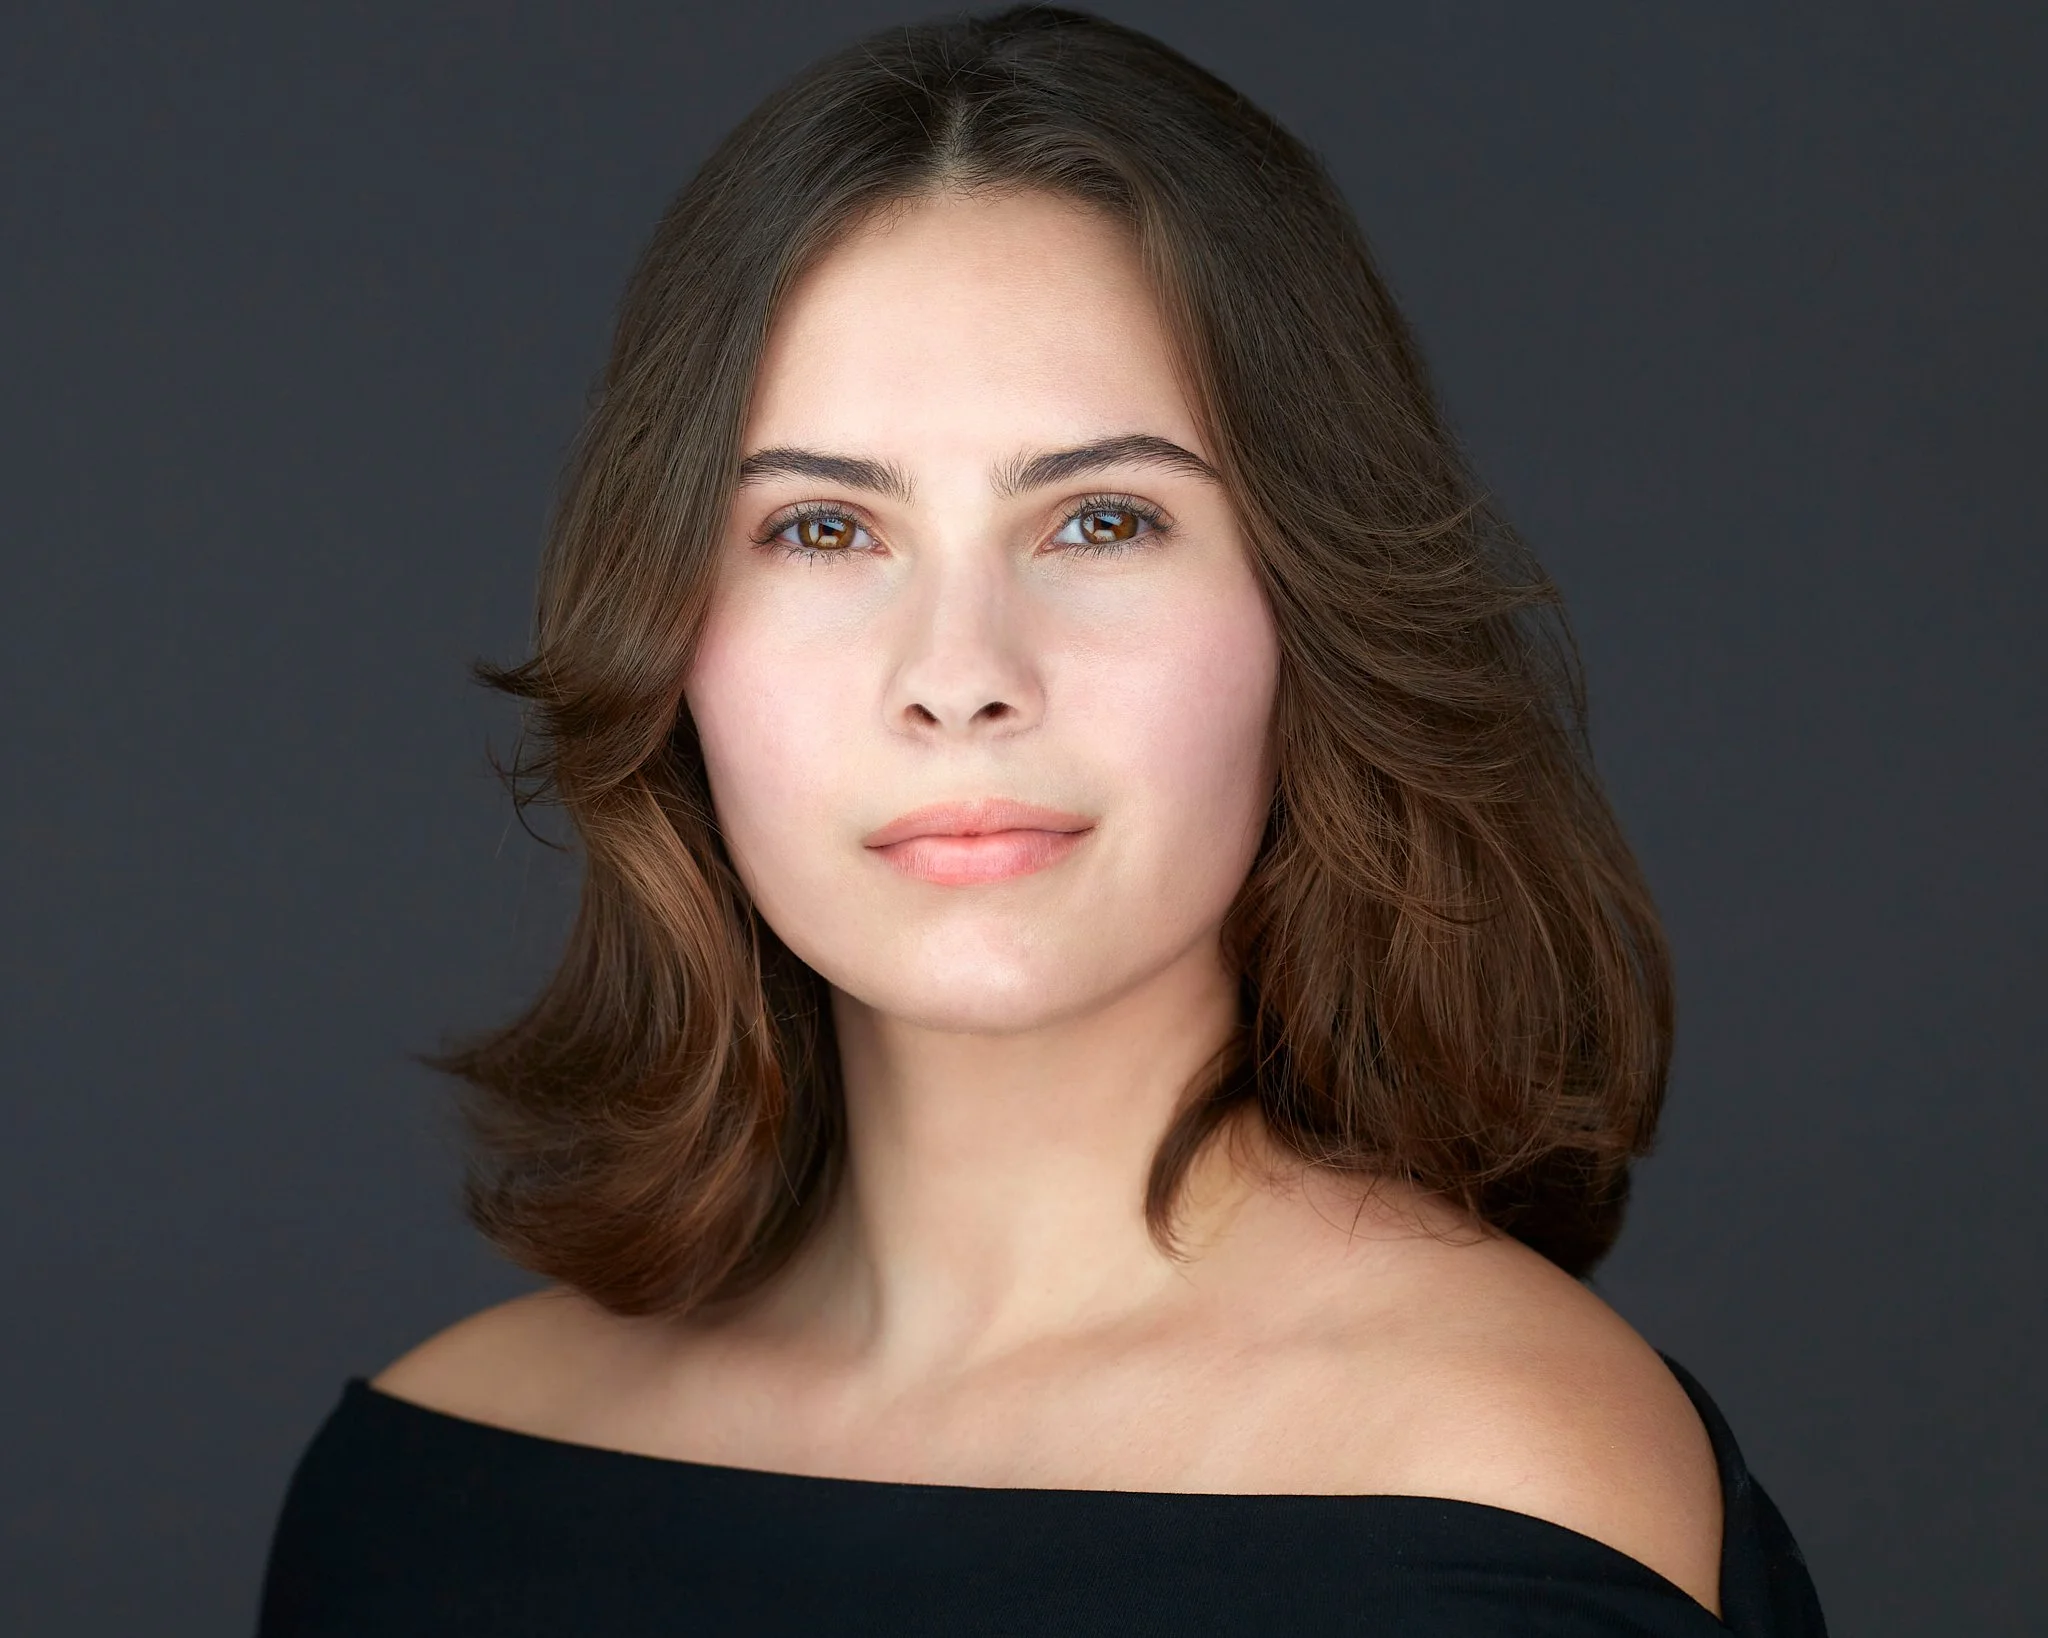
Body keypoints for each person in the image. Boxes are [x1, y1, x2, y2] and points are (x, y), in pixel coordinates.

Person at [257, 8, 1827, 1633]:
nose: (958, 676)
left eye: (1098, 518)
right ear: (664, 639)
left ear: (1309, 607)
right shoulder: (423, 1486)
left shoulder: (1507, 1493)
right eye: (818, 527)